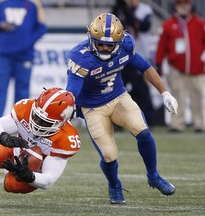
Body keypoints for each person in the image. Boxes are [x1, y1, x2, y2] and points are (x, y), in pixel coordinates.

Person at [66, 13, 178, 204]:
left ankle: (154, 176)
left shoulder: (125, 45)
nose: (104, 48)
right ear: (91, 39)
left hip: (118, 98)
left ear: (118, 43)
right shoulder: (81, 57)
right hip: (92, 108)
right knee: (109, 155)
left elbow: (145, 67)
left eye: (109, 45)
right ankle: (114, 185)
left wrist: (164, 92)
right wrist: (68, 110)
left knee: (142, 131)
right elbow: (72, 91)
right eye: (100, 43)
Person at [0, 0, 47, 124]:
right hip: (4, 53)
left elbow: (41, 27)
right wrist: (1, 24)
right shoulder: (1, 3)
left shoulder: (33, 4)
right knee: (0, 87)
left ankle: (20, 122)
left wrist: (28, 41)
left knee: (22, 90)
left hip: (24, 55)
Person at [155, 0, 205, 133]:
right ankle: (177, 124)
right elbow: (161, 46)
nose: (183, 7)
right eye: (180, 4)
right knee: (177, 95)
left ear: (190, 6)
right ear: (176, 6)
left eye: (186, 4)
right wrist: (159, 63)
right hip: (176, 67)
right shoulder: (168, 25)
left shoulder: (200, 23)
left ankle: (200, 123)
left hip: (198, 67)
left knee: (198, 95)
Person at [112, 0, 155, 127]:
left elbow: (143, 26)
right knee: (117, 89)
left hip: (138, 54)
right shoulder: (119, 9)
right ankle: (116, 121)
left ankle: (148, 119)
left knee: (141, 89)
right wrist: (117, 11)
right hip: (120, 56)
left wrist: (128, 13)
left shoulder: (144, 10)